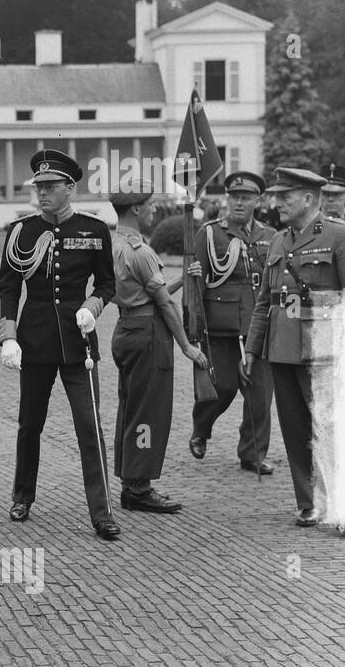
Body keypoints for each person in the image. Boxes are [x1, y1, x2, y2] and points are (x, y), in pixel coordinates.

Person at [0, 150, 119, 540]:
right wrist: (8, 337)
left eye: (51, 186)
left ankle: (101, 512)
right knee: (29, 424)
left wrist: (91, 307)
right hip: (33, 342)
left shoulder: (95, 230)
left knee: (89, 426)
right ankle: (22, 495)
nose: (43, 193)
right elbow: (8, 288)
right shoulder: (21, 231)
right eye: (39, 186)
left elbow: (107, 284)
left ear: (70, 187)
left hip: (77, 344)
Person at [244, 165, 345, 527]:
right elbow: (264, 302)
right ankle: (309, 502)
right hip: (282, 350)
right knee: (295, 428)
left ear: (308, 198)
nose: (277, 202)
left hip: (324, 351)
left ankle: (339, 504)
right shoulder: (278, 241)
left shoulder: (336, 236)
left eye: (284, 196)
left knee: (330, 428)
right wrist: (252, 350)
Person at [109, 171, 209, 513]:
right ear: (135, 210)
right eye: (150, 206)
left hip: (126, 331)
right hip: (149, 336)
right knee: (148, 413)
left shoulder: (114, 245)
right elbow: (163, 304)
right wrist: (186, 346)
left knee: (130, 408)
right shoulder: (141, 251)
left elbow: (150, 294)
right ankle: (139, 488)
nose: (154, 211)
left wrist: (182, 278)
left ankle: (129, 480)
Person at [186, 172, 275, 474]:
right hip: (221, 325)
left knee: (259, 394)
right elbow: (195, 284)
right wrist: (194, 327)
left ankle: (252, 454)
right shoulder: (210, 234)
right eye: (234, 197)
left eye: (246, 198)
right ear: (227, 199)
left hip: (258, 326)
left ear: (257, 201)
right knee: (221, 387)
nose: (239, 202)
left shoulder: (269, 236)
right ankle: (201, 427)